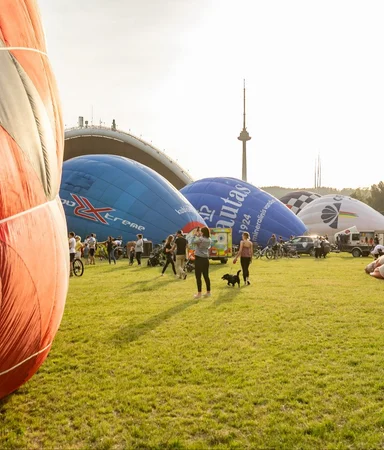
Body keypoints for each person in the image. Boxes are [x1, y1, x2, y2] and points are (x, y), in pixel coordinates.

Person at [190, 227, 211, 299]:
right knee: (206, 276)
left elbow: (192, 241)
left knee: (198, 276)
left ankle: (199, 293)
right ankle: (208, 292)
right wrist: (199, 235)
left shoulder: (201, 239)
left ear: (203, 232)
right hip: (205, 259)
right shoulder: (209, 240)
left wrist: (195, 234)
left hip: (199, 259)